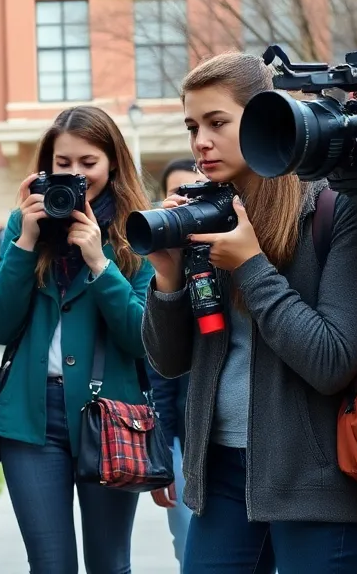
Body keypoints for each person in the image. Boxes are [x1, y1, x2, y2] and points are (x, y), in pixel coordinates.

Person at [142, 52, 357, 573]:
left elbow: (331, 360)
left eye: (216, 123)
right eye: (192, 126)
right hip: (224, 473)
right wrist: (167, 276)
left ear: (267, 117)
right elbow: (169, 360)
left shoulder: (343, 205)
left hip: (321, 479)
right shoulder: (214, 210)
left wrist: (250, 265)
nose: (200, 141)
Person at [0, 106, 155, 574]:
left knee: (108, 563)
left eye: (88, 162)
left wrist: (99, 261)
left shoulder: (139, 229)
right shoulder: (25, 227)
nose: (75, 174)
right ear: (46, 166)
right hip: (30, 419)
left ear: (112, 163)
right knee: (50, 565)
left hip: (111, 417)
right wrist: (25, 241)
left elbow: (143, 337)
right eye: (63, 163)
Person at [147, 156, 206, 567]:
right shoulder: (169, 265)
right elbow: (163, 372)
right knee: (189, 549)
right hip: (187, 438)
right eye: (180, 195)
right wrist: (163, 452)